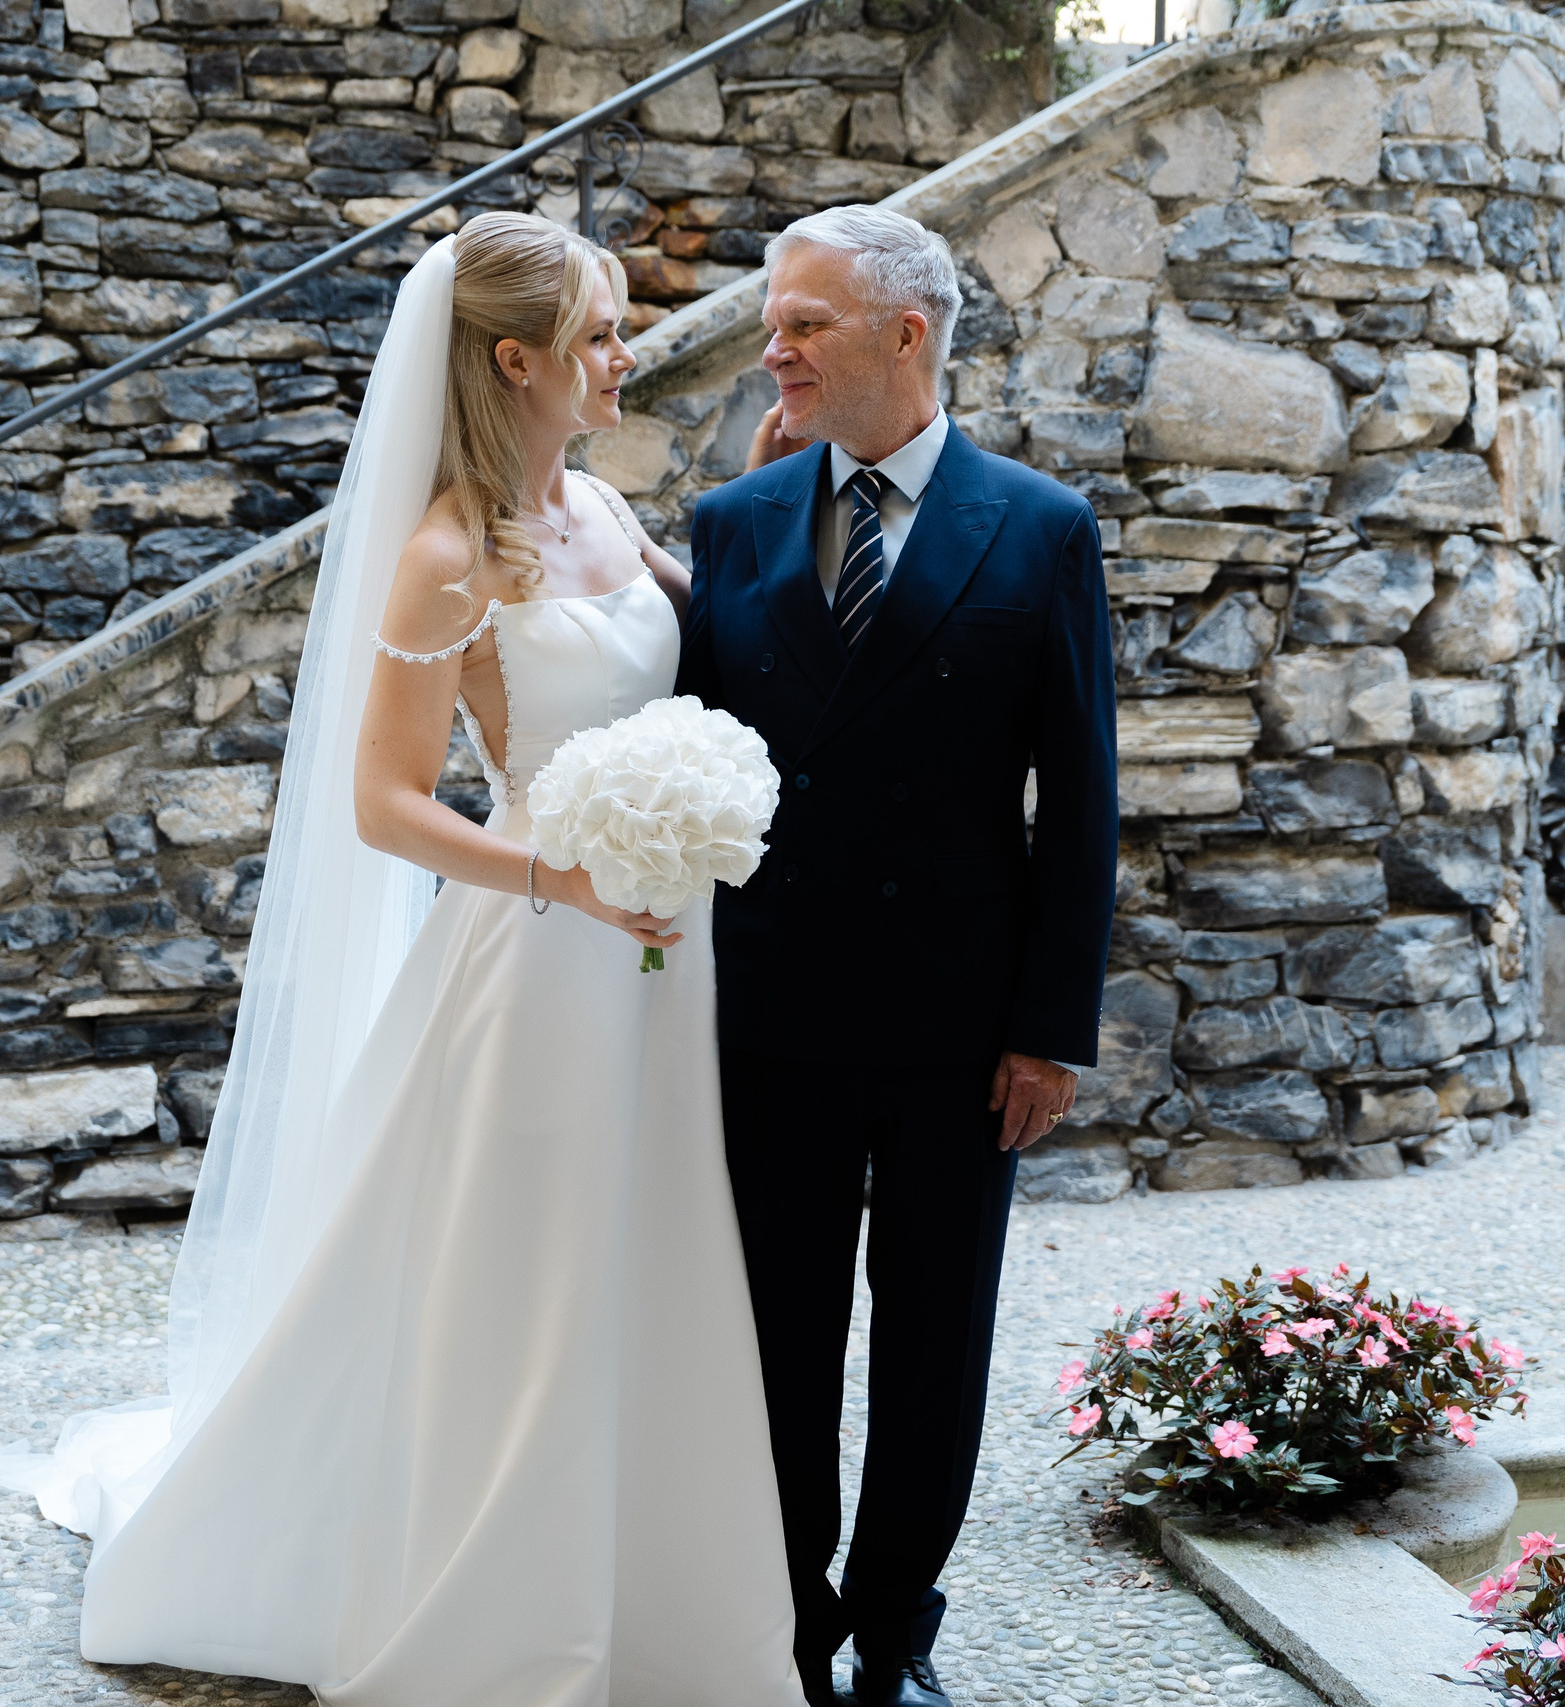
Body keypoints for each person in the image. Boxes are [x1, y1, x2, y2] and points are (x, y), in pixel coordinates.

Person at [0, 213, 807, 1706]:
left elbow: (717, 650)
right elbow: (385, 803)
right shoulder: (446, 553)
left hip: (662, 961)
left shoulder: (610, 514)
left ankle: (660, 1595)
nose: (627, 357)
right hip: (540, 963)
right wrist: (561, 870)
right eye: (601, 337)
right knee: (534, 1279)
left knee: (656, 1259)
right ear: (515, 361)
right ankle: (505, 1611)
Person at [676, 205, 1119, 1707]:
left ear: (906, 335)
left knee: (935, 1343)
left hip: (960, 1027)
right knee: (781, 1341)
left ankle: (896, 1640)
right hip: (771, 1019)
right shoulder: (731, 524)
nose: (773, 348)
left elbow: (1081, 797)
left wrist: (1050, 1027)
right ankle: (787, 1627)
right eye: (775, 321)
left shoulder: (1042, 527)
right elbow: (693, 762)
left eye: (802, 322)